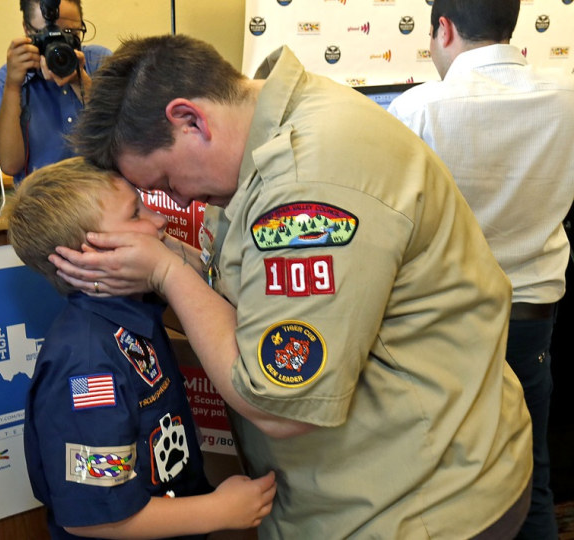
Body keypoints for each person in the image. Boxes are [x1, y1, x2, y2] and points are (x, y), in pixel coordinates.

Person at [49, 34, 535, 538]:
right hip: (371, 485)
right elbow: (248, 285)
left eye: (168, 183)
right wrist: (179, 262)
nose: (180, 203)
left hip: (420, 504)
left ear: (190, 119)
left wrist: (168, 274)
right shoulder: (272, 129)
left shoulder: (307, 184)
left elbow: (275, 403)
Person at [4, 156, 276, 539]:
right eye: (136, 214)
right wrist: (219, 510)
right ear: (92, 254)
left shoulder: (136, 311)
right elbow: (96, 514)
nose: (159, 220)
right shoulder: (87, 366)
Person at [386, 1, 574, 537]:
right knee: (531, 475)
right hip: (532, 316)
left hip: (445, 323)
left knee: (444, 485)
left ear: (443, 29)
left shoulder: (418, 108)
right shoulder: (567, 97)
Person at [0, 0, 111, 184]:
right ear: (27, 30)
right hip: (41, 206)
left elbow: (126, 140)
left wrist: (81, 81)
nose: (60, 43)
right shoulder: (7, 78)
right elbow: (10, 164)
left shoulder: (99, 62)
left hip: (104, 198)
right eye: (48, 35)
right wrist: (13, 86)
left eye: (70, 33)